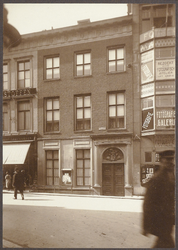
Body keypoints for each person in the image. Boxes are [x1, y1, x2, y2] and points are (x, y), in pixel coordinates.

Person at [142, 150, 175, 248]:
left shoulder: (170, 176)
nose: (170, 162)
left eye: (171, 159)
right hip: (161, 221)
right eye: (167, 159)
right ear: (161, 161)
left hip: (167, 220)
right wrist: (146, 226)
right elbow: (147, 203)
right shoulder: (157, 178)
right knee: (167, 244)